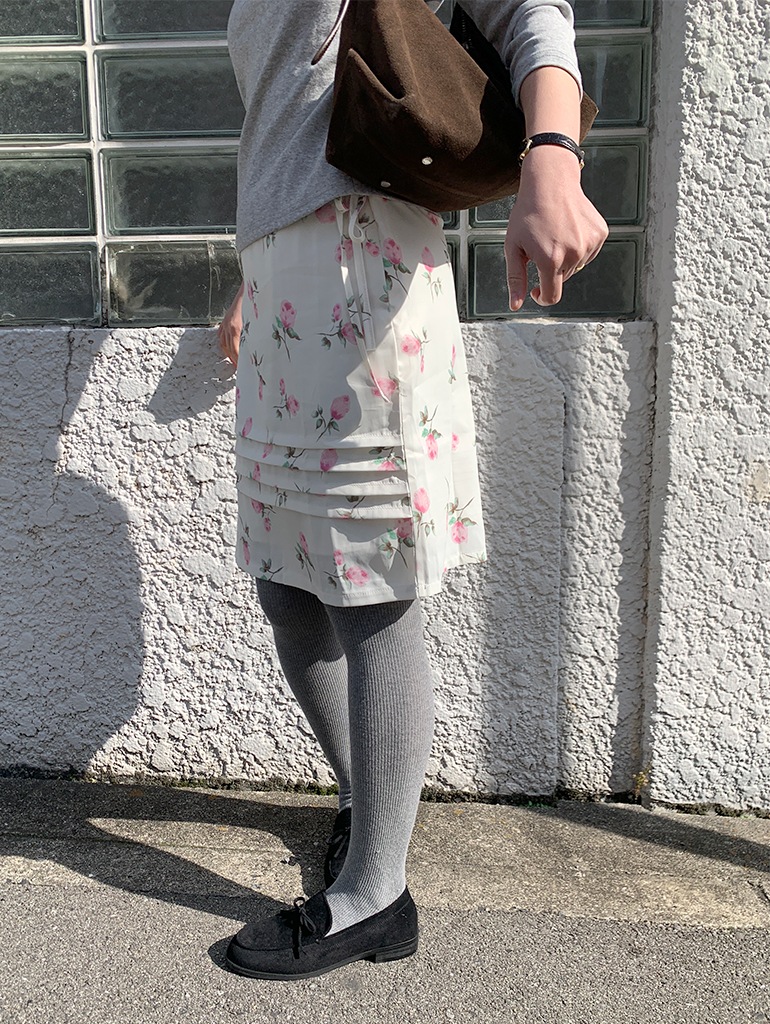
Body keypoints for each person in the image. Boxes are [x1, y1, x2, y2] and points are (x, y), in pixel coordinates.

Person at [217, 0, 608, 980]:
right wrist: (257, 270)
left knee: (369, 590)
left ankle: (375, 896)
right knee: (285, 586)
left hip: (362, 265)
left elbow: (529, 12)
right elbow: (291, 109)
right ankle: (367, 802)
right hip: (283, 282)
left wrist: (552, 158)